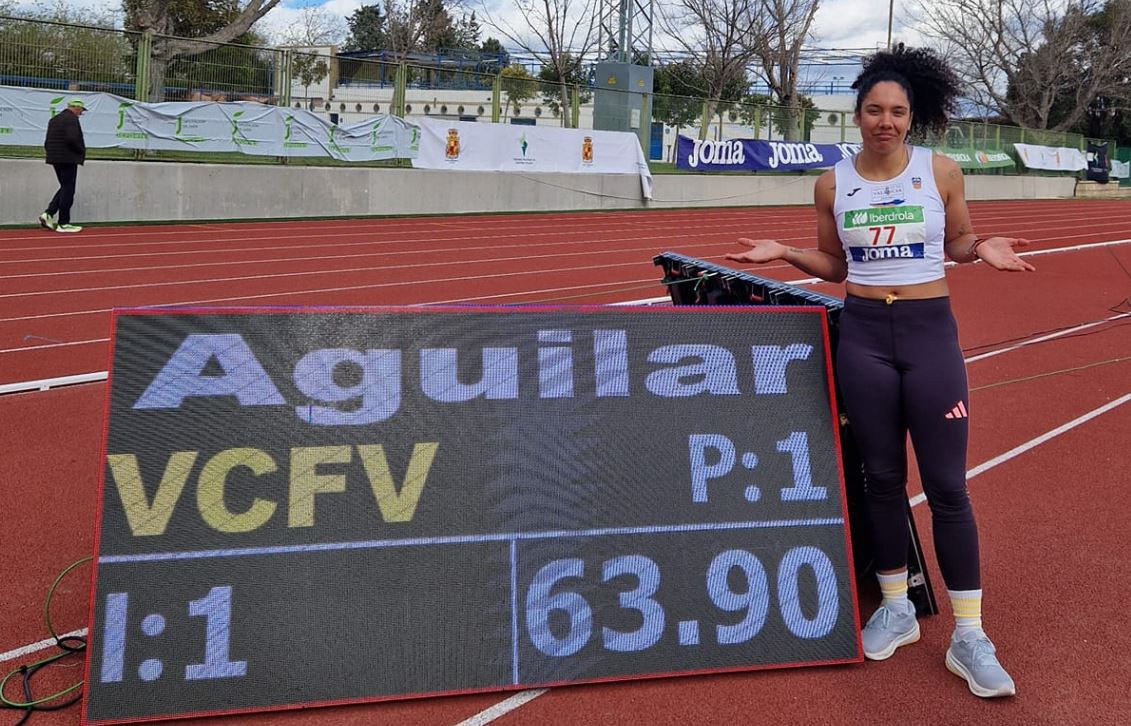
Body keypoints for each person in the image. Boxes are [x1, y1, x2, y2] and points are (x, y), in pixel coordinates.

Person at [724, 45, 1034, 698]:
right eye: (873, 109)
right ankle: (896, 608)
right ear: (857, 113)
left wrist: (982, 247)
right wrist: (784, 252)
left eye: (896, 111)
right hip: (863, 337)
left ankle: (970, 636)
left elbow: (954, 241)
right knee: (882, 479)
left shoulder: (940, 172)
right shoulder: (831, 183)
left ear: (910, 115)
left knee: (947, 486)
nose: (884, 121)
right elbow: (836, 267)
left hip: (928, 338)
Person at [40, 98, 87, 233]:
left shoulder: (54, 119)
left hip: (55, 158)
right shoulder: (72, 119)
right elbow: (72, 138)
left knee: (65, 187)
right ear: (77, 108)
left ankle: (48, 213)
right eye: (81, 110)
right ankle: (63, 222)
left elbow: (47, 141)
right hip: (68, 158)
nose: (81, 114)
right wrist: (81, 150)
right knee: (68, 190)